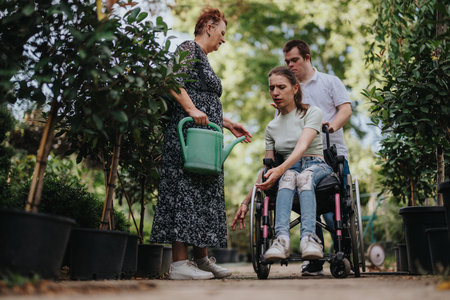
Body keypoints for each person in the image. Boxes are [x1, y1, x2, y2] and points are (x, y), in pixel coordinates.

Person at [150, 8, 252, 280]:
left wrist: (228, 123)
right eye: (221, 33)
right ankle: (180, 264)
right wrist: (192, 109)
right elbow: (170, 80)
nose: (223, 39)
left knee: (202, 191)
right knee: (184, 191)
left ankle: (202, 259)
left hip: (204, 137)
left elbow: (203, 97)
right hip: (186, 137)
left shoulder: (203, 59)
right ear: (208, 26)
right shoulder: (188, 48)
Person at [232, 66, 332, 262]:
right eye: (272, 88)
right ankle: (281, 240)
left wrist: (279, 169)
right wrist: (246, 201)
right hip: (288, 170)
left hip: (316, 165)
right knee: (288, 176)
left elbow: (302, 146)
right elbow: (267, 167)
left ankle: (309, 238)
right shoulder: (272, 127)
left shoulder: (312, 113)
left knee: (301, 176)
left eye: (281, 87)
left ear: (295, 89)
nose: (275, 92)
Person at [283, 39, 352, 275]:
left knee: (335, 213)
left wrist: (331, 127)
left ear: (307, 58)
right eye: (287, 62)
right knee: (307, 205)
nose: (290, 65)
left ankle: (343, 253)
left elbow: (345, 109)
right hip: (302, 158)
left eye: (295, 60)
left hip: (333, 155)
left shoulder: (330, 82)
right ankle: (314, 258)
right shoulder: (289, 91)